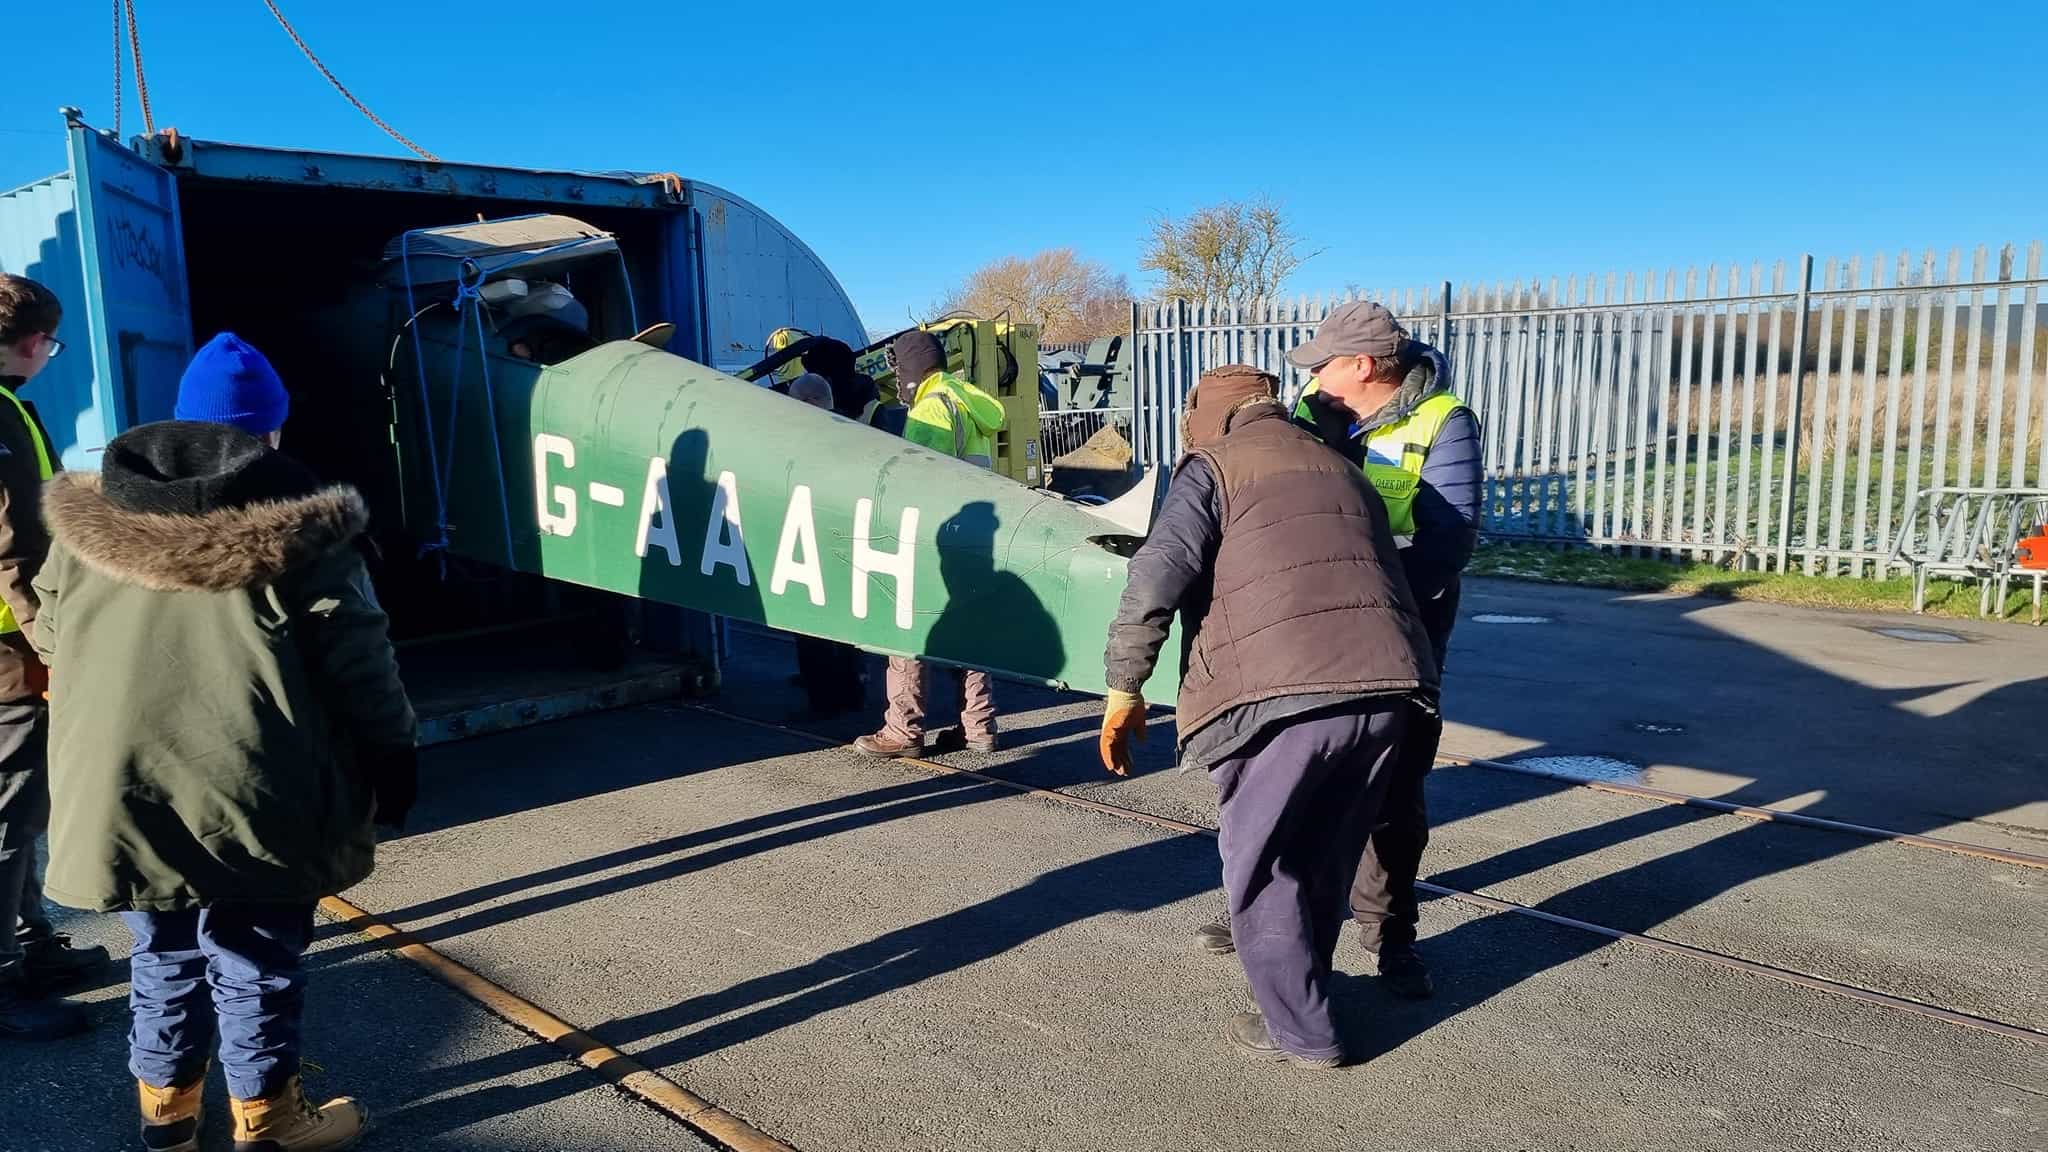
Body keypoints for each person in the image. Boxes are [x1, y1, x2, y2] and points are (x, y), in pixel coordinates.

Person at [33, 331, 419, 1151]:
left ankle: (166, 1124)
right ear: (269, 432)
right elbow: (362, 666)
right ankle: (269, 1124)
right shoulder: (306, 536)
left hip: (123, 788)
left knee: (163, 951)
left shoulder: (86, 524)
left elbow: (51, 631)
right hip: (257, 787)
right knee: (253, 958)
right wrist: (394, 758)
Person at [1099, 364, 1437, 1067]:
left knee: (1264, 865)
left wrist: (1125, 686)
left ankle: (1302, 1031)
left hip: (1281, 696)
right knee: (1326, 856)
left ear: (1208, 418)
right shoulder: (1342, 465)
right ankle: (1301, 995)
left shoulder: (1212, 466)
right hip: (1389, 690)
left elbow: (1156, 574)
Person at [1187, 301, 1479, 1002]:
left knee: (1391, 794)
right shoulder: (1313, 413)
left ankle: (1390, 937)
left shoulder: (1444, 423)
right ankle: (1265, 917)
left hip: (1398, 630)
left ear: (1366, 366)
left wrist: (1366, 594)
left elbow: (1450, 538)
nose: (1312, 375)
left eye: (1325, 363)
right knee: (1282, 779)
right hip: (1297, 628)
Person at [0, 273, 109, 1042]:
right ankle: (5, 981)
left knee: (20, 811)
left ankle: (32, 948)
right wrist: (55, 650)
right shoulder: (1, 415)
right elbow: (15, 550)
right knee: (10, 814)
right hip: (9, 651)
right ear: (35, 343)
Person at [853, 330, 1006, 758]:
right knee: (970, 630)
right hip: (976, 534)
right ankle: (979, 727)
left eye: (899, 366)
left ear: (912, 366)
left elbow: (919, 484)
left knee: (909, 624)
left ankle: (903, 730)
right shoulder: (963, 400)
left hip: (938, 534)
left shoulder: (931, 409)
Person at [786, 374, 866, 719]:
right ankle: (851, 688)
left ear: (808, 404)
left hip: (812, 538)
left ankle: (821, 698)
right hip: (845, 540)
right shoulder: (855, 433)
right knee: (847, 622)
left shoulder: (806, 438)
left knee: (809, 624)